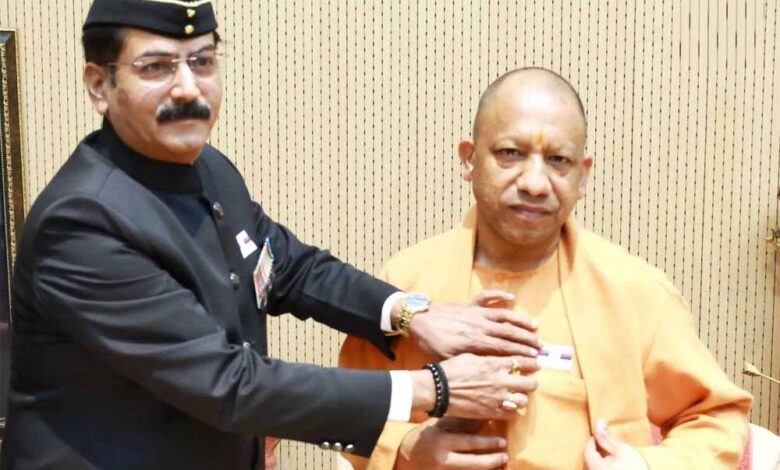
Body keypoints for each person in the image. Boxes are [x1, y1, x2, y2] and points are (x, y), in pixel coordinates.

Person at [0, 2, 545, 469]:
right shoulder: (81, 224)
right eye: (157, 67)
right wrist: (433, 388)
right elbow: (228, 383)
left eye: (203, 61)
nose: (188, 88)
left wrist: (410, 314)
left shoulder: (208, 168)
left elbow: (287, 266)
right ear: (100, 85)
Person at [339, 67, 753, 470]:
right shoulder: (406, 287)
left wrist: (646, 464)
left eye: (558, 160)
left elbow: (716, 418)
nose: (535, 184)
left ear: (582, 177)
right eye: (511, 153)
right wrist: (404, 449)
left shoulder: (635, 292)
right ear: (470, 160)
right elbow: (345, 409)